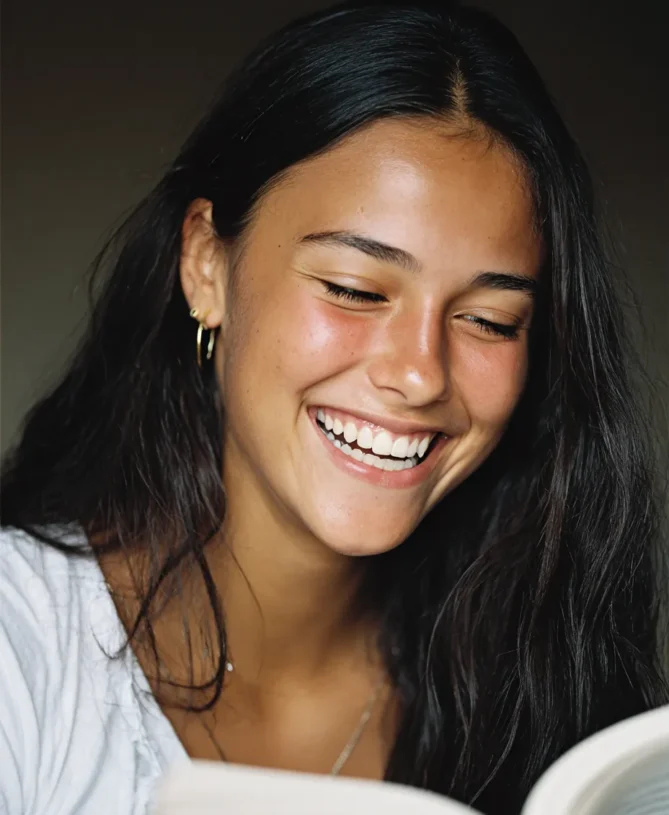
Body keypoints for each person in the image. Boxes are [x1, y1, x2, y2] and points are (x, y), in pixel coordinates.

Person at [1, 1, 667, 813]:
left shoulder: (543, 689)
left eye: (489, 320)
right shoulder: (22, 644)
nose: (419, 374)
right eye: (354, 289)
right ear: (206, 265)